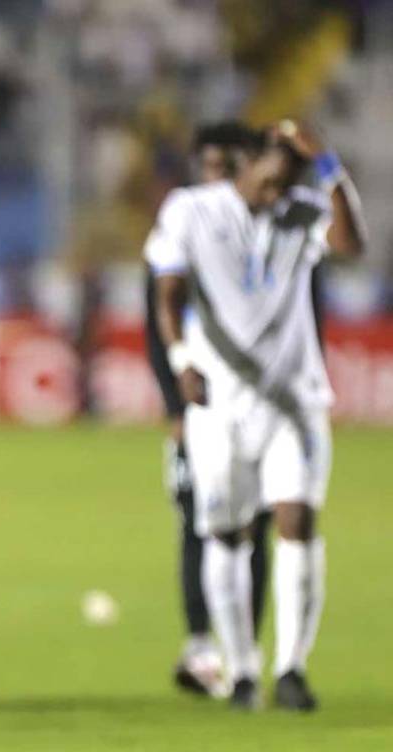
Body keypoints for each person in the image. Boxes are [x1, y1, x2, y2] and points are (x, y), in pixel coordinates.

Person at [149, 120, 365, 711]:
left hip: (294, 401)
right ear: (251, 164)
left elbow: (351, 246)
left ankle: (291, 667)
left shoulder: (300, 209)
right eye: (271, 181)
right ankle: (242, 668)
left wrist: (330, 168)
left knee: (297, 523)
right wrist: (179, 359)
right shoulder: (191, 211)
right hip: (218, 405)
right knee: (225, 533)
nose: (277, 196)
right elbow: (166, 291)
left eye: (289, 184)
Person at [144, 120, 269, 698]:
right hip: (202, 400)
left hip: (265, 400)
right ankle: (201, 646)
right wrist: (174, 401)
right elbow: (157, 320)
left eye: (228, 166)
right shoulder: (183, 226)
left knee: (261, 521)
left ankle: (246, 648)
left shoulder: (270, 226)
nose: (217, 178)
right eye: (209, 167)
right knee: (200, 516)